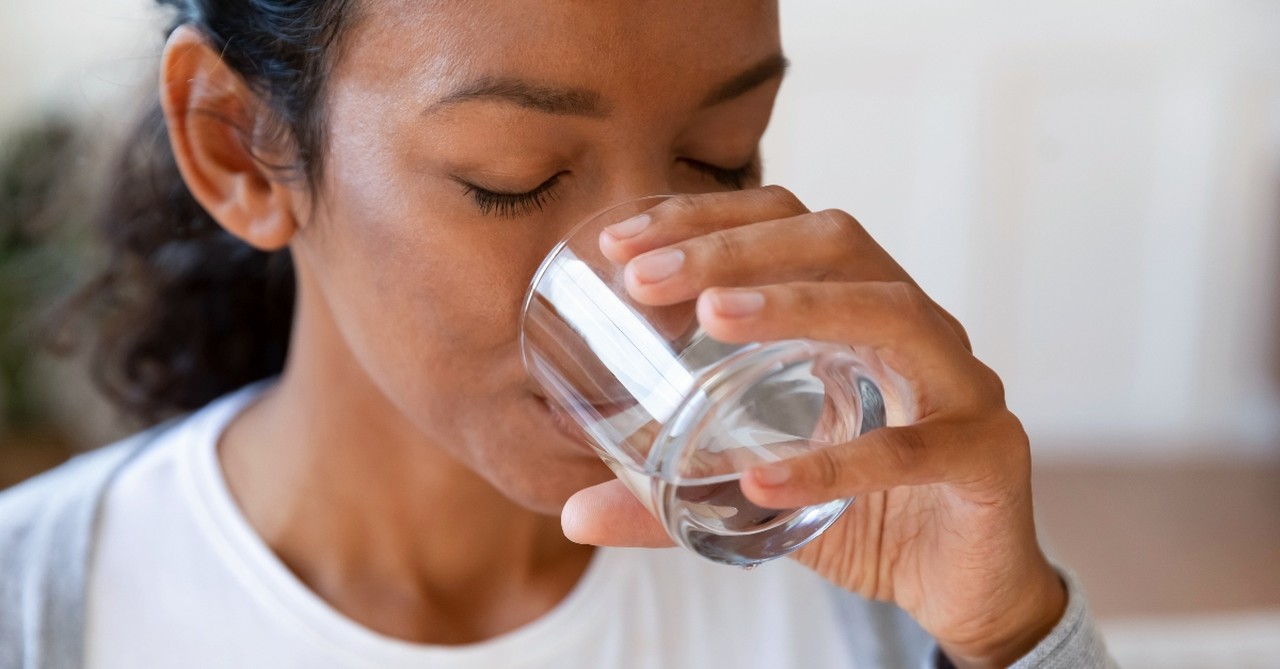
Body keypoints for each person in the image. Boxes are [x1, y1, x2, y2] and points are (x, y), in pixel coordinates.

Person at [0, 1, 1117, 667]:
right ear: (240, 147)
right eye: (511, 182)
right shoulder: (38, 611)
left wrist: (1010, 633)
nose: (653, 289)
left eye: (723, 154)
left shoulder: (856, 598)